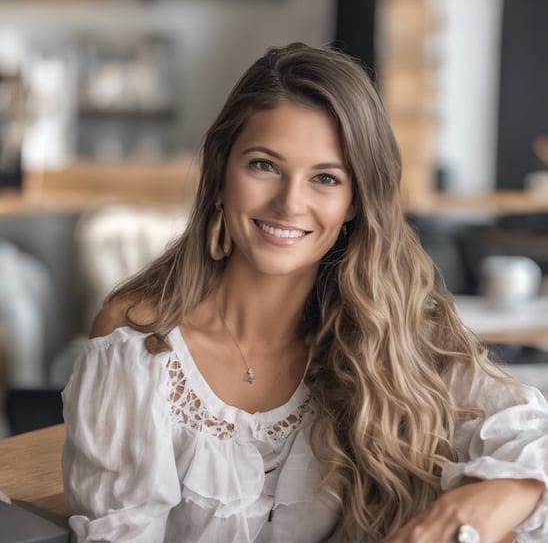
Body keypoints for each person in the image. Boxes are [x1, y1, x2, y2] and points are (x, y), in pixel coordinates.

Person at [62, 43, 548, 543]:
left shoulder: (390, 327)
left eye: (325, 178)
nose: (289, 203)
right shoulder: (138, 341)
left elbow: (532, 431)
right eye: (265, 165)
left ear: (355, 201)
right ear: (221, 172)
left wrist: (476, 507)